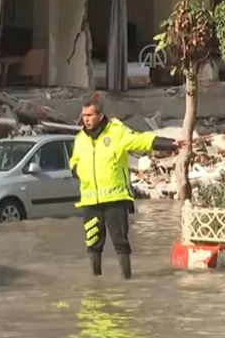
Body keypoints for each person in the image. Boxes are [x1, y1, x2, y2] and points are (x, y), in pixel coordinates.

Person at [69, 100, 186, 279]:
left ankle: (127, 280)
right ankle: (96, 281)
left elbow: (141, 140)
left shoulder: (117, 132)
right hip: (90, 201)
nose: (86, 119)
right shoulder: (80, 140)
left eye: (90, 115)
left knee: (120, 242)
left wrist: (169, 144)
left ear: (100, 116)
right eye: (84, 116)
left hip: (115, 199)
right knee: (93, 243)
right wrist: (76, 170)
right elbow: (74, 161)